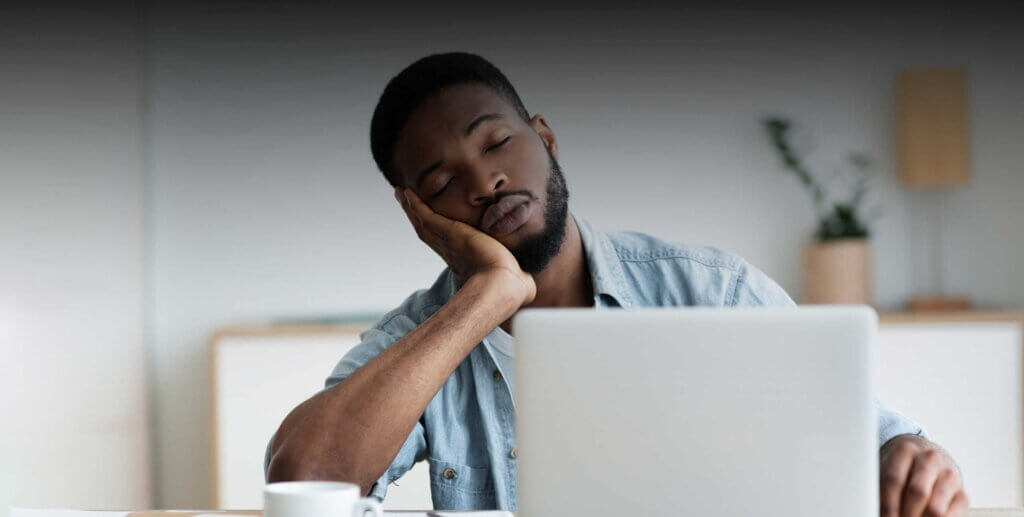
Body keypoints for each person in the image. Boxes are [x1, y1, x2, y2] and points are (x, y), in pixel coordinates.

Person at [266, 52, 968, 517]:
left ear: (545, 137)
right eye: (445, 182)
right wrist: (487, 296)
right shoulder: (417, 341)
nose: (486, 182)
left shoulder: (709, 291)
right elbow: (299, 478)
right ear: (418, 213)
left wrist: (910, 460)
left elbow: (875, 441)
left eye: (497, 142)